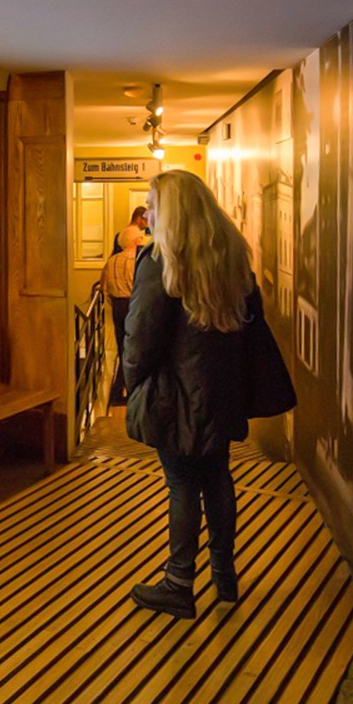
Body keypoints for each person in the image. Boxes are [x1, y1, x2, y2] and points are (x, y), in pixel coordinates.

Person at [123, 170, 274, 619]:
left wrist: (134, 385)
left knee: (182, 483)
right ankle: (223, 575)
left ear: (171, 211)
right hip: (222, 389)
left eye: (152, 203)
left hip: (176, 395)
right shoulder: (230, 257)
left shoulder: (162, 260)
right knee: (218, 478)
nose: (147, 212)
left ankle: (178, 582)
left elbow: (140, 335)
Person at [101, 225, 143, 405]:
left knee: (121, 344)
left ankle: (119, 388)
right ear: (135, 241)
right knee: (134, 345)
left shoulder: (112, 261)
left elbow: (104, 286)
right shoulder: (137, 261)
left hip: (117, 306)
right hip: (132, 305)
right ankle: (129, 388)